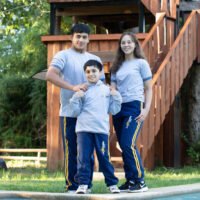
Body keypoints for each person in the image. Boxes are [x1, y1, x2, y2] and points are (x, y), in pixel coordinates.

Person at [46, 23, 104, 193]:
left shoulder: (95, 60)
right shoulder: (63, 56)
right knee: (72, 150)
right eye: (77, 36)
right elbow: (50, 75)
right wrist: (73, 87)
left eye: (84, 37)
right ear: (71, 38)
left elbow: (101, 85)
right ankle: (72, 185)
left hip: (90, 114)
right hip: (70, 112)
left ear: (88, 39)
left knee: (87, 151)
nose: (80, 39)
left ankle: (86, 185)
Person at [69, 59, 122, 194]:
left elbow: (114, 110)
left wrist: (116, 96)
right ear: (84, 74)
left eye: (94, 71)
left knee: (104, 157)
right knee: (83, 158)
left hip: (101, 130)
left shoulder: (106, 90)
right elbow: (75, 112)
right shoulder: (82, 90)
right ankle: (83, 184)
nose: (91, 74)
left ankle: (112, 184)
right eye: (87, 71)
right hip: (83, 130)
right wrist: (76, 97)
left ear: (100, 72)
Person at [110, 32, 152, 193]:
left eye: (129, 42)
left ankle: (140, 181)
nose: (126, 45)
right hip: (118, 108)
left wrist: (146, 109)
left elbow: (149, 88)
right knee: (122, 145)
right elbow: (113, 88)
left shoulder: (141, 63)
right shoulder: (116, 66)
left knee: (128, 143)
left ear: (135, 44)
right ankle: (130, 180)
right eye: (123, 42)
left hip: (134, 106)